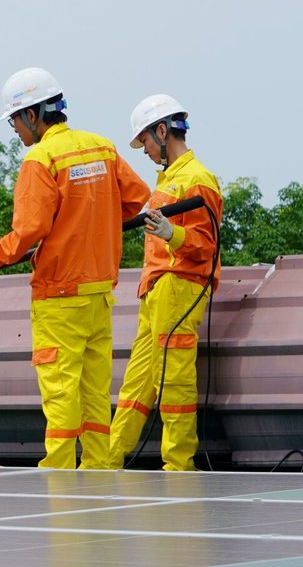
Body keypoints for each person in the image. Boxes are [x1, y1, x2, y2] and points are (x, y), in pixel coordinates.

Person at [0, 67, 150, 469]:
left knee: (61, 393)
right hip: (99, 295)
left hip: (59, 298)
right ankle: (99, 474)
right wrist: (89, 224)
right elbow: (137, 199)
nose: (15, 130)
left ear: (33, 115)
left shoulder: (41, 157)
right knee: (95, 394)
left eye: (15, 120)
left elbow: (30, 229)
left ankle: (60, 480)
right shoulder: (101, 147)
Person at [89, 94, 223, 471]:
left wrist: (172, 235)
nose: (144, 150)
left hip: (180, 288)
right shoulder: (170, 181)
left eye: (145, 141)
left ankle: (178, 467)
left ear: (162, 131)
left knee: (174, 379)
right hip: (158, 290)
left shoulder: (197, 179)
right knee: (138, 382)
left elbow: (206, 246)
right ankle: (107, 460)